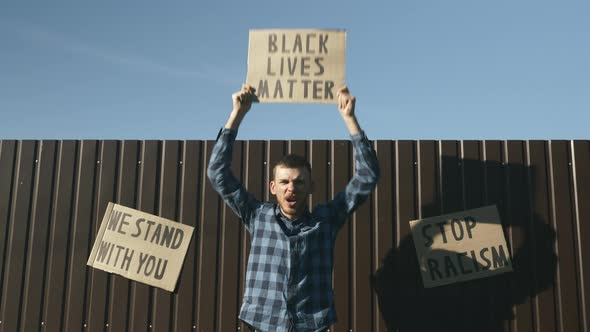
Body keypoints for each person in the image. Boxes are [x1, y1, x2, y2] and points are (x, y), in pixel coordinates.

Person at [207, 84, 380, 332]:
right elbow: (217, 173)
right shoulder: (257, 215)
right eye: (285, 182)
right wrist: (238, 114)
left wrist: (350, 118)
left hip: (312, 325)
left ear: (311, 186)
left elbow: (368, 176)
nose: (292, 188)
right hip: (264, 324)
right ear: (273, 187)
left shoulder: (326, 220)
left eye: (299, 182)